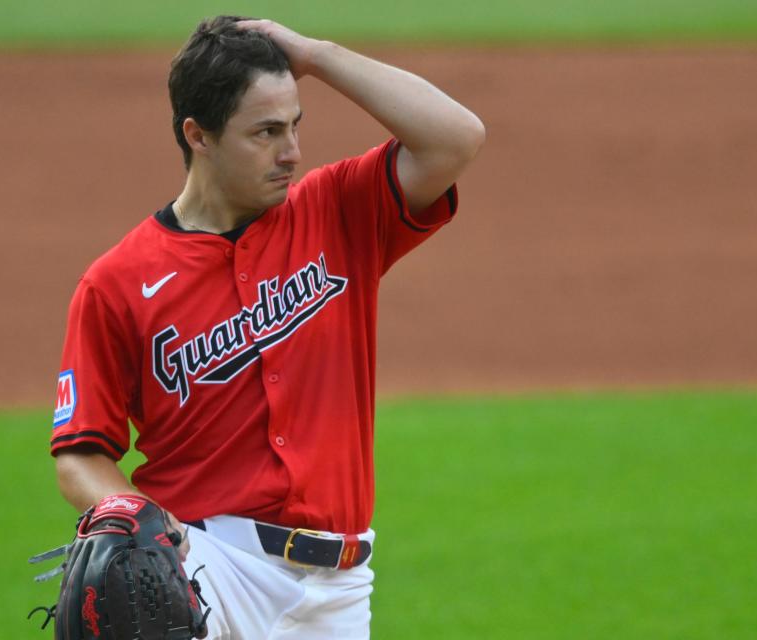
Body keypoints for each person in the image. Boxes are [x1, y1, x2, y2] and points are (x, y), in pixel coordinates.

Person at [49, 15, 484, 639]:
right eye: (266, 132)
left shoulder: (338, 210)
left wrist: (317, 54)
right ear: (199, 135)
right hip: (206, 569)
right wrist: (142, 522)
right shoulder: (118, 282)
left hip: (340, 586)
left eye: (295, 127)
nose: (292, 153)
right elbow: (80, 454)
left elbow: (456, 138)